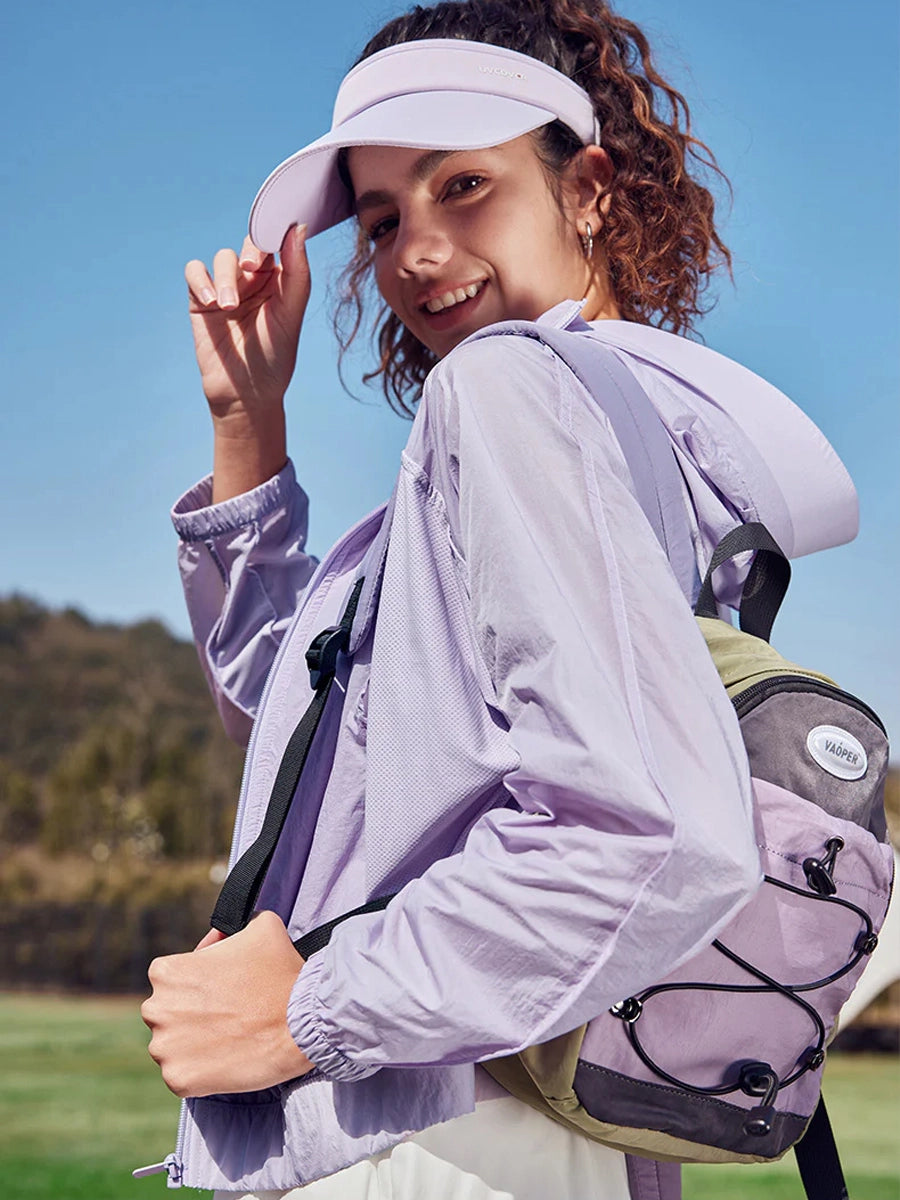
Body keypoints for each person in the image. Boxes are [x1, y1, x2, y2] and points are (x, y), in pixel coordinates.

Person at [140, 2, 859, 1198]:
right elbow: (321, 753)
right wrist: (248, 425)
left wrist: (312, 1008)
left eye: (462, 185)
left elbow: (650, 833)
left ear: (587, 190)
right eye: (383, 219)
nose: (414, 253)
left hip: (433, 1136)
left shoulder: (508, 390)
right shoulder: (628, 422)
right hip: (535, 1134)